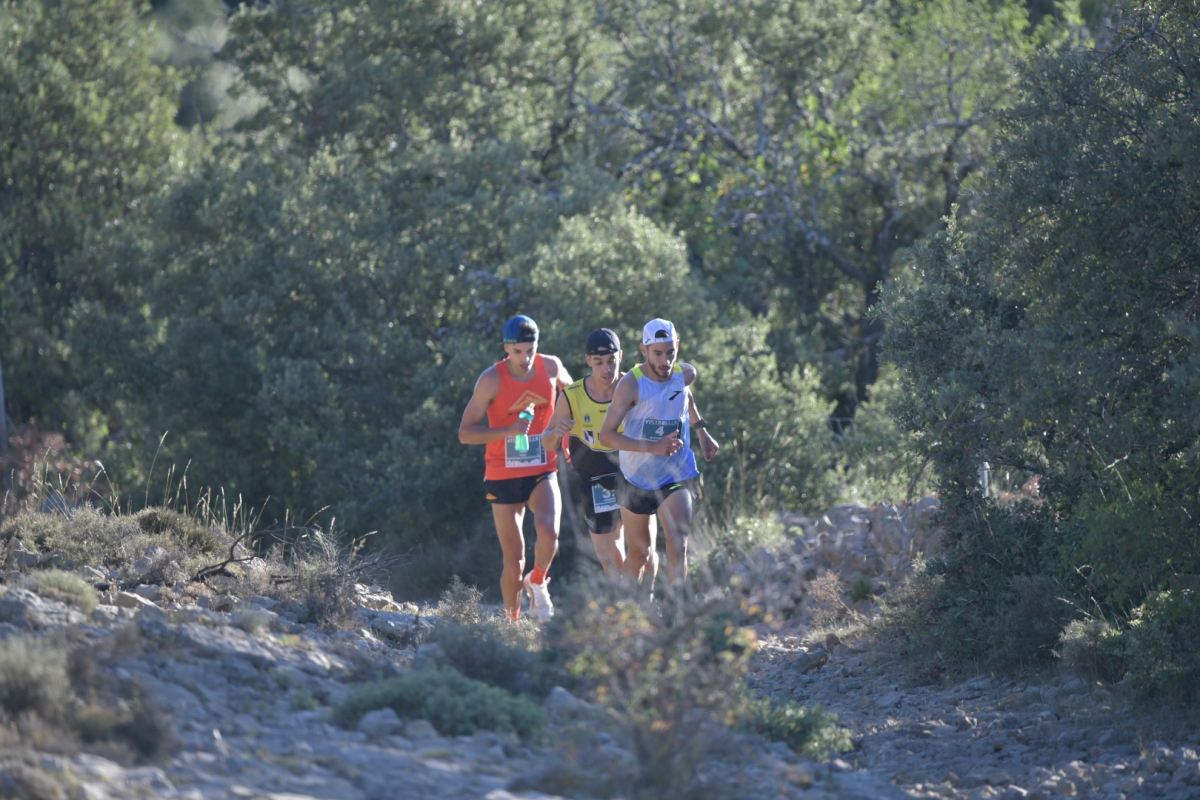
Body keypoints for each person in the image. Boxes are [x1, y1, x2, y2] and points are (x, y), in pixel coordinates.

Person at [458, 314, 573, 622]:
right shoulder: (491, 380)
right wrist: (506, 432)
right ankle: (513, 624)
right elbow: (465, 433)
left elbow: (576, 396)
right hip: (503, 474)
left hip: (542, 467)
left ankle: (538, 580)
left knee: (549, 532)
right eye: (518, 352)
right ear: (506, 349)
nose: (525, 358)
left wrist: (565, 430)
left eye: (530, 350)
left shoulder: (551, 367)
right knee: (515, 559)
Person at [599, 318, 718, 589]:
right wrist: (652, 447)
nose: (665, 361)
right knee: (639, 554)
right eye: (658, 353)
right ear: (644, 350)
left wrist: (701, 431)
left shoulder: (684, 374)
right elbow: (607, 435)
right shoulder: (630, 385)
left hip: (675, 473)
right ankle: (627, 607)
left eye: (670, 352)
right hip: (636, 478)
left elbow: (685, 396)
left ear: (677, 347)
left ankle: (678, 609)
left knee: (678, 543)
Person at [541, 328, 628, 577]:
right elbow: (547, 443)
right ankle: (626, 597)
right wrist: (556, 432)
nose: (606, 369)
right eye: (599, 362)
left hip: (633, 475)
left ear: (621, 356)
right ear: (588, 360)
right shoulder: (572, 396)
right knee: (609, 555)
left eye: (611, 361)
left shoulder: (633, 386)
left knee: (643, 551)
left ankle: (645, 596)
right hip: (595, 481)